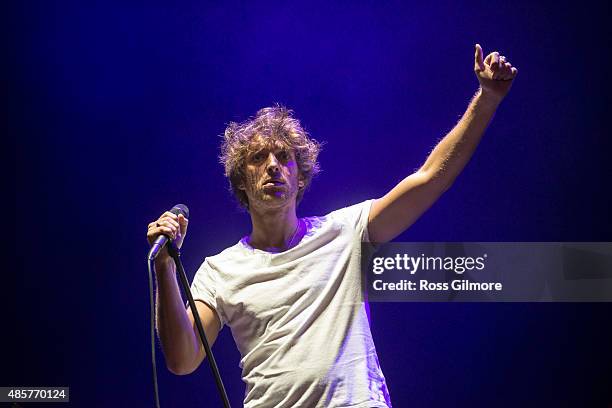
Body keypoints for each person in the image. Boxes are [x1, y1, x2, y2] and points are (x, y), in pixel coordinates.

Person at [146, 44, 518, 407]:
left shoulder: (345, 230)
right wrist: (165, 268)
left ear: (301, 178)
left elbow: (431, 178)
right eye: (259, 158)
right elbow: (183, 359)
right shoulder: (221, 269)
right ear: (242, 180)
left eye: (284, 157)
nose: (273, 165)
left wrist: (486, 98)